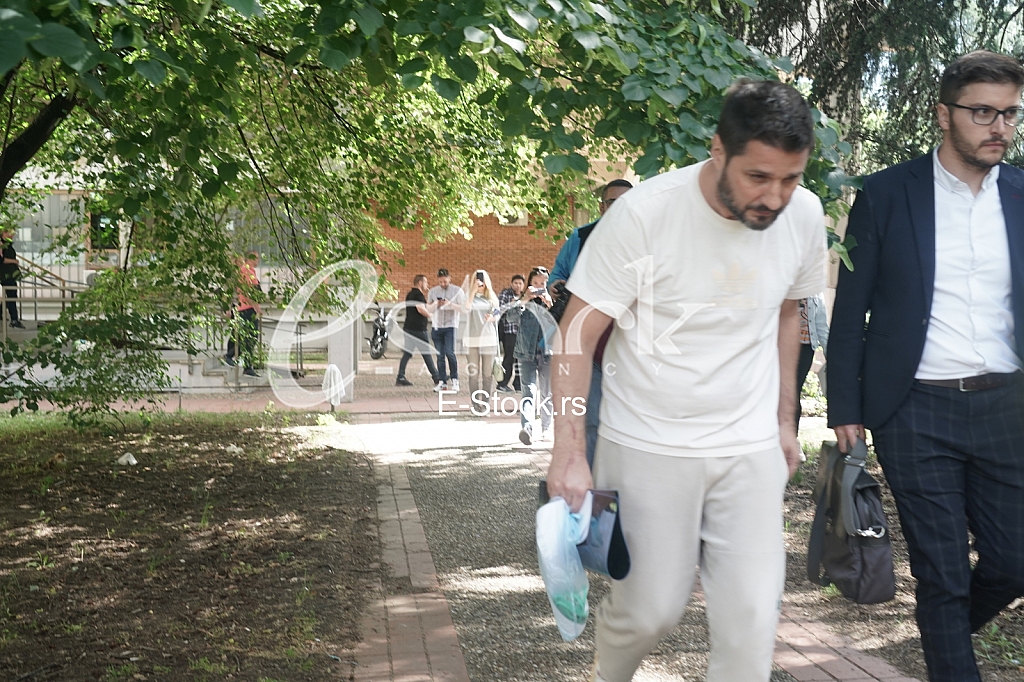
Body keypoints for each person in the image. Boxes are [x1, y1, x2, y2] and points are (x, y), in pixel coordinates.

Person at [547, 80, 825, 682]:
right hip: (646, 442)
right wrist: (568, 451)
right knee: (649, 612)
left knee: (752, 622)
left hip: (748, 444)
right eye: (759, 177)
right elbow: (576, 336)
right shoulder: (644, 215)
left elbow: (788, 312)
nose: (774, 197)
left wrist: (784, 420)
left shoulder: (804, 215)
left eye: (790, 179)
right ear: (718, 149)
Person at [828, 51, 1024, 682]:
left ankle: (944, 635)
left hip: (1008, 407)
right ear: (944, 114)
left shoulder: (1021, 194)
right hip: (914, 408)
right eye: (983, 112)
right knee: (942, 575)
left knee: (1013, 563)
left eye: (1010, 113)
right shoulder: (887, 194)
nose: (999, 127)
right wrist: (845, 407)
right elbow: (850, 310)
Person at [549, 179, 633, 467]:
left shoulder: (649, 238)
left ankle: (623, 477)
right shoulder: (581, 237)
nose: (619, 208)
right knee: (592, 420)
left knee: (629, 423)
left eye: (626, 202)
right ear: (602, 206)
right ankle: (593, 481)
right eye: (613, 202)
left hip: (631, 350)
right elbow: (558, 273)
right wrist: (555, 285)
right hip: (589, 347)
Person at [515, 266, 554, 445]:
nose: (538, 287)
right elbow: (510, 318)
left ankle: (546, 429)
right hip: (526, 351)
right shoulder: (522, 301)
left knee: (547, 391)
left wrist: (550, 304)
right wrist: (524, 300)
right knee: (528, 390)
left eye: (542, 284)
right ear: (529, 284)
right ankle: (527, 428)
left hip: (548, 352)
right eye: (535, 283)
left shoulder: (553, 301)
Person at [461, 269, 501, 397]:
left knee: (487, 374)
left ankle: (485, 403)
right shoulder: (467, 296)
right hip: (471, 339)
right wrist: (473, 291)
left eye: (482, 279)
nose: (480, 282)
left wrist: (492, 317)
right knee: (473, 374)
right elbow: (465, 310)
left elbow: (497, 313)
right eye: (477, 279)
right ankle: (475, 403)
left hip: (488, 339)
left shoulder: (492, 297)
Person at [427, 268, 466, 393]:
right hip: (437, 326)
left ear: (450, 278)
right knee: (440, 356)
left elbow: (463, 309)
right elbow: (428, 308)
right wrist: (436, 304)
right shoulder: (433, 291)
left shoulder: (457, 291)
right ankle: (442, 381)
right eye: (440, 282)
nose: (443, 284)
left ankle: (455, 379)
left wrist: (449, 304)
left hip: (451, 325)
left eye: (445, 281)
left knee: (450, 353)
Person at [396, 274, 439, 386]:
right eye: (426, 282)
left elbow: (423, 307)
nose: (427, 284)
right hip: (418, 329)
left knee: (407, 353)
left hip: (409, 327)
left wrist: (434, 304)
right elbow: (420, 309)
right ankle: (436, 377)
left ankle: (400, 377)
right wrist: (431, 315)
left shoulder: (411, 294)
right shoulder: (418, 295)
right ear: (420, 283)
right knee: (426, 353)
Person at [223, 253, 262, 376]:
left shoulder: (250, 271)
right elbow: (247, 291)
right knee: (248, 337)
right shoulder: (246, 271)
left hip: (246, 308)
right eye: (256, 258)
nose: (258, 260)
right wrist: (256, 307)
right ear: (250, 259)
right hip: (247, 309)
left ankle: (247, 366)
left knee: (248, 338)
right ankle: (230, 356)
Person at [795, 293, 828, 429]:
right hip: (783, 347)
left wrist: (830, 355)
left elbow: (822, 327)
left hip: (806, 349)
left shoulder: (816, 294)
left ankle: (792, 434)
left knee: (794, 390)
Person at [495, 274, 526, 393]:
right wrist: (511, 304)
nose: (518, 285)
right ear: (511, 284)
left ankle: (518, 384)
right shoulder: (505, 294)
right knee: (510, 358)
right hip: (509, 331)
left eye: (520, 283)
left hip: (522, 332)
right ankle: (502, 384)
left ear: (523, 285)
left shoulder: (525, 296)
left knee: (521, 359)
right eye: (515, 283)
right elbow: (498, 309)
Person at [1, 228, 24, 329]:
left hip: (10, 273)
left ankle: (5, 314)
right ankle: (14, 319)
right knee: (11, 294)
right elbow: (1, 259)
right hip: (5, 273)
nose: (12, 235)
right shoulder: (2, 244)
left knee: (11, 294)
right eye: (10, 233)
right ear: (4, 233)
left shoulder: (7, 244)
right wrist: (14, 261)